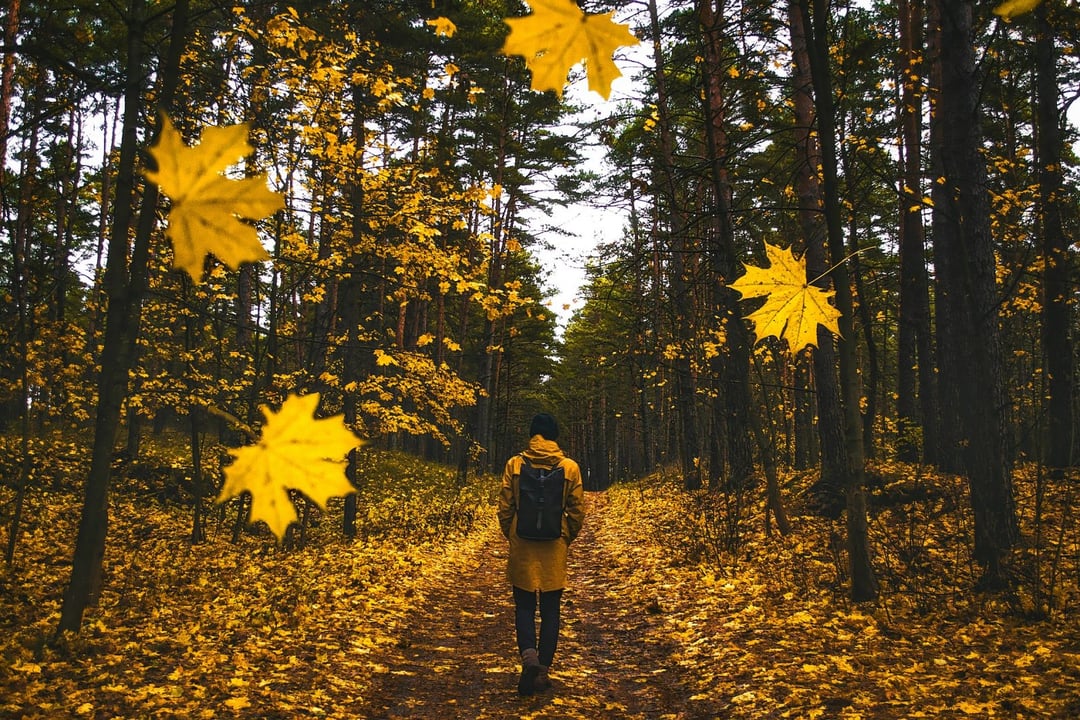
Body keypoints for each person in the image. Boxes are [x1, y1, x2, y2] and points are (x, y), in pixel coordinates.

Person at [497, 413, 585, 696]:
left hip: (522, 544)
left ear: (532, 434)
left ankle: (529, 659)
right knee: (550, 610)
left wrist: (511, 534)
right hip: (554, 546)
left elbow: (505, 506)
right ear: (555, 435)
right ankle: (543, 669)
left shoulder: (515, 464)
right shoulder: (569, 467)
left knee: (523, 607)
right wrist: (566, 536)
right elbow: (577, 511)